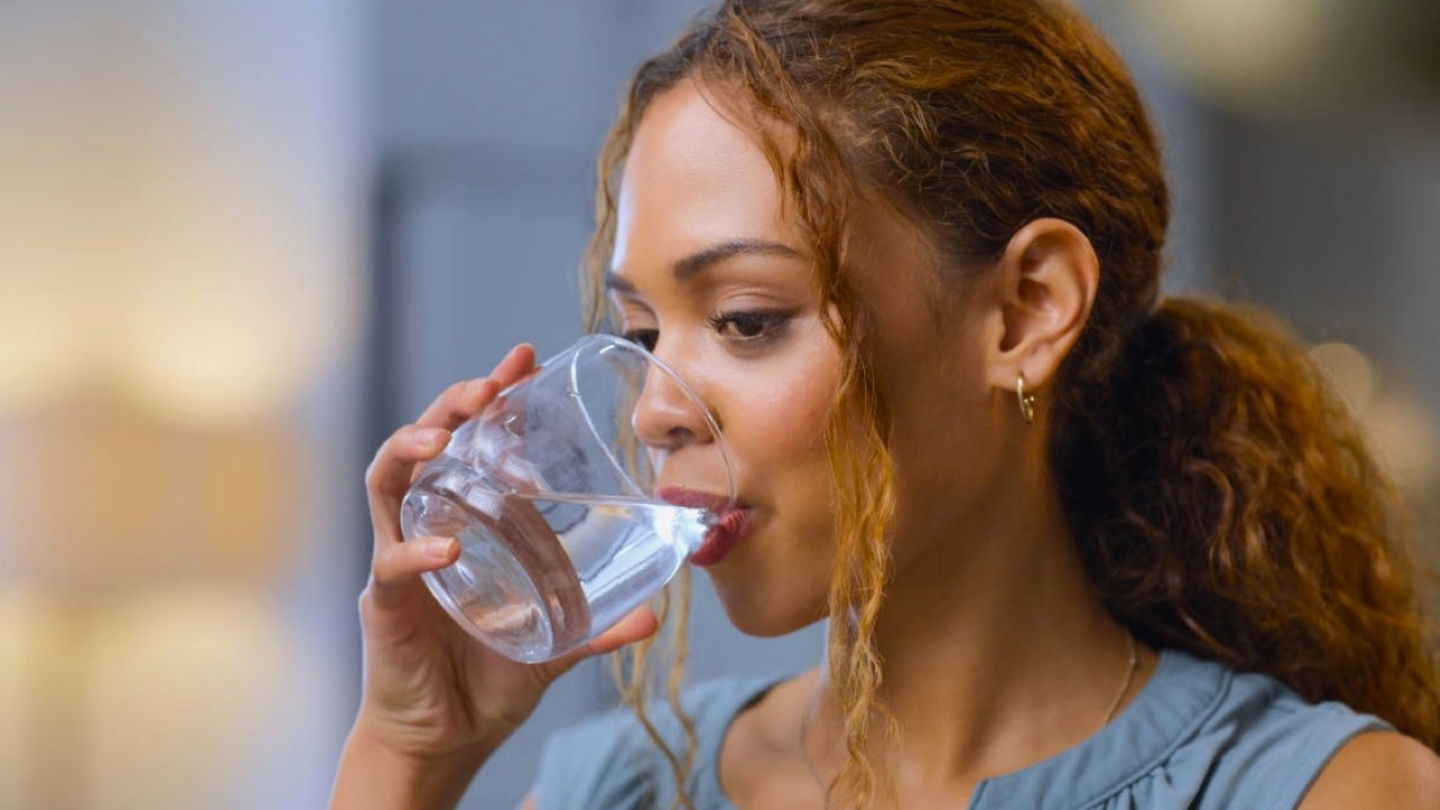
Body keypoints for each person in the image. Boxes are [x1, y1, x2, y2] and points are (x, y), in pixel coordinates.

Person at [330, 1, 1440, 808]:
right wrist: (410, 753)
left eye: (749, 318)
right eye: (638, 333)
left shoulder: (1323, 793)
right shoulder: (614, 790)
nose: (652, 409)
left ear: (1022, 313)